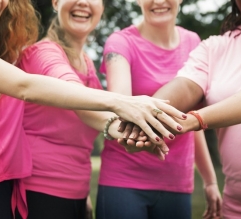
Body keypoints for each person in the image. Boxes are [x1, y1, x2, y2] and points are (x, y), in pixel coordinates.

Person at [0, 0, 186, 218]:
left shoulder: (86, 61)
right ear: (56, 3)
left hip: (75, 191)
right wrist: (123, 105)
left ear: (102, 8)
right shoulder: (43, 52)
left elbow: (90, 117)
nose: (83, 2)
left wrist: (129, 133)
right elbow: (74, 96)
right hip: (40, 191)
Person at [142, 0, 241, 218]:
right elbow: (185, 85)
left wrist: (196, 119)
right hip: (237, 208)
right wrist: (145, 116)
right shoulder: (214, 48)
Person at [97, 0, 222, 218]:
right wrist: (137, 139)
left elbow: (191, 120)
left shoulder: (193, 42)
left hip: (177, 181)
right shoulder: (120, 43)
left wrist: (210, 181)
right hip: (124, 179)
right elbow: (121, 106)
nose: (159, 1)